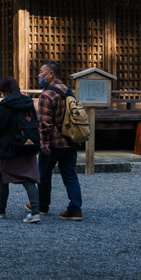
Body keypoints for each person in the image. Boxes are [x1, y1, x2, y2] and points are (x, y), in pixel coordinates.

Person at [0, 76, 41, 223]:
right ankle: (35, 212)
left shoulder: (6, 104)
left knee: (3, 179)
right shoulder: (28, 103)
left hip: (9, 147)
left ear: (5, 91)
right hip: (27, 145)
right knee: (29, 180)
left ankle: (0, 210)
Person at [34, 61, 83, 220]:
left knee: (44, 174)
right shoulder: (69, 92)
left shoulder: (46, 94)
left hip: (54, 142)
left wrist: (45, 142)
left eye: (42, 72)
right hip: (71, 140)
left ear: (50, 75)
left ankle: (42, 206)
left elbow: (45, 122)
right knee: (69, 174)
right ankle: (75, 209)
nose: (39, 75)